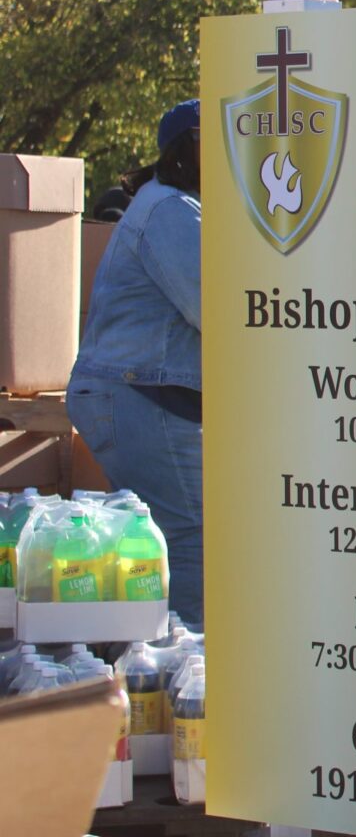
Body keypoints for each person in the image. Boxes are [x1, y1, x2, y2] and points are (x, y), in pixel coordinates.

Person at [66, 100, 205, 625]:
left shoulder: (167, 205)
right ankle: (192, 680)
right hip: (139, 397)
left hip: (133, 395)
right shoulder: (171, 210)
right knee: (191, 542)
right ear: (188, 148)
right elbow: (216, 308)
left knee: (168, 543)